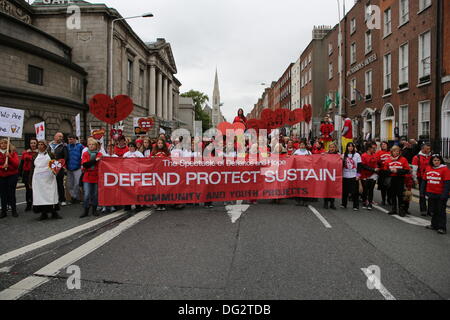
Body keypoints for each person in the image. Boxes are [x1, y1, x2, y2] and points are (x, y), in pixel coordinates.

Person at [29, 140, 61, 220]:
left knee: (50, 195)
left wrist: (55, 172)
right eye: (39, 144)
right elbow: (32, 168)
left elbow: (56, 165)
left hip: (49, 179)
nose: (40, 146)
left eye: (42, 144)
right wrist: (30, 180)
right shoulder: (35, 156)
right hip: (38, 180)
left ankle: (54, 212)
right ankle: (43, 213)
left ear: (45, 146)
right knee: (40, 196)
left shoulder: (51, 155)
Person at [422, 154, 449, 235]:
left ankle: (442, 227)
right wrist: (422, 192)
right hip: (431, 193)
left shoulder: (445, 169)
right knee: (432, 210)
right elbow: (424, 181)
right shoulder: (428, 168)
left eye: (438, 160)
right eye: (434, 160)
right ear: (432, 161)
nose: (436, 162)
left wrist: (445, 194)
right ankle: (434, 225)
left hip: (441, 194)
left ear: (440, 161)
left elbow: (447, 183)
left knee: (441, 211)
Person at [383, 146, 411, 217]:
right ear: (391, 152)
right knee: (393, 194)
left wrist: (397, 171)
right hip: (392, 179)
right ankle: (394, 209)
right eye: (394, 151)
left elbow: (407, 170)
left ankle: (401, 210)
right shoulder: (388, 160)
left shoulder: (403, 159)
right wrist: (390, 170)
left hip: (400, 179)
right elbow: (385, 171)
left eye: (397, 151)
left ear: (399, 152)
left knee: (400, 195)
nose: (396, 152)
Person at [80, 138, 103, 218]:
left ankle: (94, 210)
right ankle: (86, 210)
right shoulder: (85, 153)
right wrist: (95, 160)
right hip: (87, 176)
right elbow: (85, 164)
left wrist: (94, 161)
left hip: (96, 176)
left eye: (93, 144)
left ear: (96, 146)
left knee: (95, 194)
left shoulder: (99, 154)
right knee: (86, 194)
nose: (91, 146)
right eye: (89, 144)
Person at [0, 139, 20, 218]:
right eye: (1, 143)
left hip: (12, 175)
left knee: (11, 193)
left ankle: (14, 210)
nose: (3, 144)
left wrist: (10, 157)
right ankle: (3, 211)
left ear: (8, 144)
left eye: (5, 143)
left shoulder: (13, 152)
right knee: (3, 194)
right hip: (1, 176)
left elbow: (16, 164)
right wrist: (2, 167)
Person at [48, 132, 68, 207]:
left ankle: (62, 199)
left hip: (59, 167)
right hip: (50, 167)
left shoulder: (63, 146)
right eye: (59, 136)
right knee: (51, 184)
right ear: (55, 137)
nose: (61, 138)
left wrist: (62, 165)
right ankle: (53, 199)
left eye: (62, 137)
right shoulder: (49, 145)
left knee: (60, 183)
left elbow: (66, 157)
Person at [412, 143, 432, 216]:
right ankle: (423, 209)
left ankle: (431, 210)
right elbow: (414, 170)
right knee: (422, 194)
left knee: (431, 194)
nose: (429, 150)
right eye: (427, 149)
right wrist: (415, 179)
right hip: (421, 178)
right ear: (422, 149)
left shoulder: (432, 156)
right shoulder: (416, 157)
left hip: (430, 178)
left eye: (429, 149)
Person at [151, 139, 171, 211]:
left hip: (164, 173)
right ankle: (158, 204)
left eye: (161, 143)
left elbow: (170, 160)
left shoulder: (166, 152)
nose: (160, 144)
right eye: (159, 143)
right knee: (157, 189)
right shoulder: (154, 152)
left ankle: (163, 204)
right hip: (156, 173)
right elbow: (150, 161)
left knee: (163, 189)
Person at [19, 138, 38, 211]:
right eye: (31, 143)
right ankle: (28, 204)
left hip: (35, 172)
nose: (33, 144)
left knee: (36, 189)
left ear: (36, 144)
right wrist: (19, 173)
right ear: (29, 144)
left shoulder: (39, 153)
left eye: (34, 143)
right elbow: (21, 163)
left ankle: (36, 204)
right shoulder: (25, 152)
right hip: (27, 173)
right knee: (28, 190)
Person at [359, 142, 379, 210]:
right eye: (373, 148)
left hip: (373, 174)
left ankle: (370, 203)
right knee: (365, 189)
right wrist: (373, 169)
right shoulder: (363, 155)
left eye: (375, 148)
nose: (374, 149)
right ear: (369, 148)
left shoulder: (375, 155)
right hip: (364, 174)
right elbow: (363, 166)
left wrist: (376, 169)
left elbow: (376, 164)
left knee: (371, 189)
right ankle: (364, 201)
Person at [341, 142, 361, 211]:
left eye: (352, 146)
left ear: (353, 147)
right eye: (349, 146)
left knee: (355, 192)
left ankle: (356, 205)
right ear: (347, 147)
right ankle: (344, 204)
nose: (350, 147)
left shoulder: (357, 155)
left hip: (354, 176)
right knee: (344, 191)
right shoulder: (343, 155)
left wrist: (358, 175)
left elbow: (359, 166)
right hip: (345, 175)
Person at [66, 135, 84, 204]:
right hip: (69, 168)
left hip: (77, 168)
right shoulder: (67, 147)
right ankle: (74, 197)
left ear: (75, 139)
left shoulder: (80, 146)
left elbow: (83, 155)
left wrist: (82, 165)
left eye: (71, 139)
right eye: (69, 139)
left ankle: (76, 197)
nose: (70, 141)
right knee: (69, 184)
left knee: (77, 183)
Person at [293, 140, 312, 207]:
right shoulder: (296, 152)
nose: (302, 146)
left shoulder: (308, 152)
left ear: (305, 145)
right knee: (298, 186)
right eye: (301, 145)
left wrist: (309, 156)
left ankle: (305, 201)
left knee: (305, 187)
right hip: (298, 171)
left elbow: (312, 160)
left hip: (305, 172)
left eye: (303, 145)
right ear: (299, 145)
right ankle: (298, 200)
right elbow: (292, 160)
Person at [323, 142, 339, 210]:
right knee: (326, 188)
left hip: (334, 174)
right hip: (326, 173)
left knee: (333, 189)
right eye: (330, 147)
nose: (332, 148)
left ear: (335, 148)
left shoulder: (338, 155)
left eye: (333, 147)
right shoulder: (325, 154)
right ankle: (325, 202)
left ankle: (332, 203)